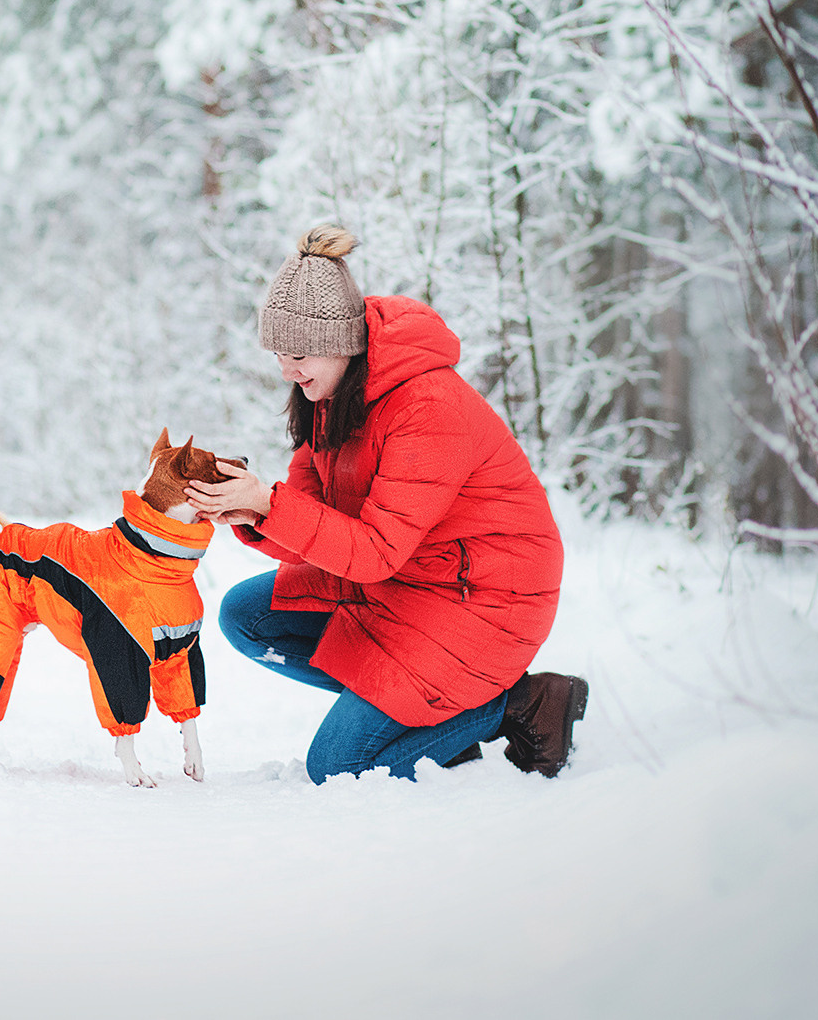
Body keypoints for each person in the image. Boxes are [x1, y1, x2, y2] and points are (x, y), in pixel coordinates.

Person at [185, 226, 588, 784]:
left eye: (298, 354)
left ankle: (513, 703)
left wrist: (269, 506)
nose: (287, 371)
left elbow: (373, 551)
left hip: (483, 597)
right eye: (278, 354)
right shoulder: (327, 395)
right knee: (246, 616)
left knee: (340, 769)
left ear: (341, 342)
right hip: (407, 580)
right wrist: (253, 511)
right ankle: (420, 718)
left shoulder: (427, 406)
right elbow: (313, 518)